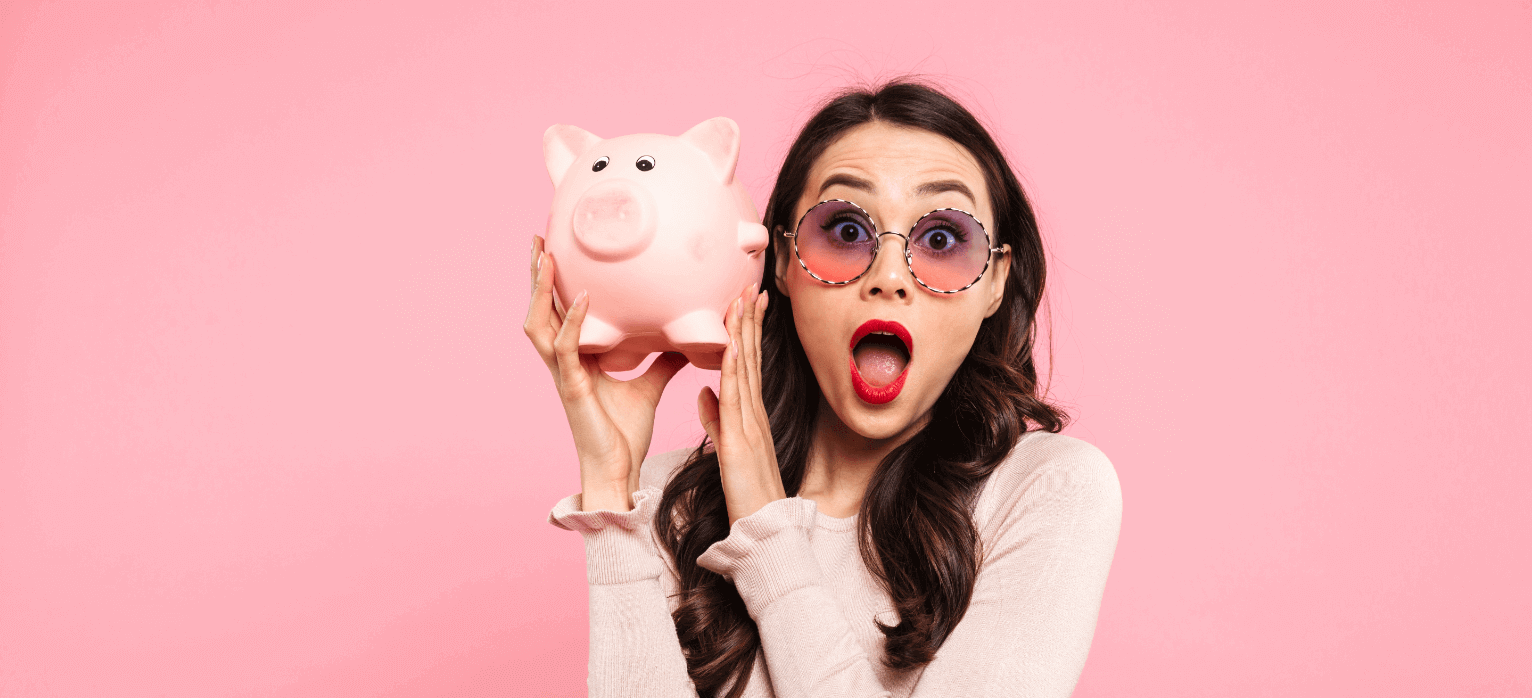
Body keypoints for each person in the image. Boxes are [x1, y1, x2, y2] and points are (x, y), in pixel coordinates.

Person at [525, 80, 1122, 698]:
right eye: (844, 231)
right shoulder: (666, 502)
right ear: (780, 261)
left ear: (996, 281)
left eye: (941, 238)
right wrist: (611, 499)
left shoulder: (1047, 489)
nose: (889, 276)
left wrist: (766, 535)